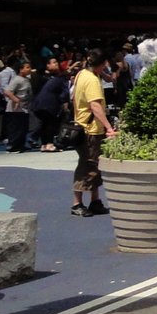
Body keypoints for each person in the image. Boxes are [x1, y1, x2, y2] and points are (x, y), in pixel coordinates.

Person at [71, 52, 116, 217]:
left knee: (95, 165)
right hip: (91, 129)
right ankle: (77, 203)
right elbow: (95, 106)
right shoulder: (91, 80)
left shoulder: (82, 74)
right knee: (87, 165)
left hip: (83, 125)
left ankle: (95, 200)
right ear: (102, 63)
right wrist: (108, 127)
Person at [32, 56, 68, 151]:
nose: (56, 64)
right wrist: (64, 102)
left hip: (38, 102)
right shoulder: (60, 78)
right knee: (51, 123)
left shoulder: (50, 78)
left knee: (44, 123)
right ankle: (49, 144)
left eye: (56, 62)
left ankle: (44, 144)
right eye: (53, 62)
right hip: (49, 103)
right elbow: (65, 93)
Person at [3, 58, 34, 153]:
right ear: (21, 69)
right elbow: (7, 91)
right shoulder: (17, 80)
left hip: (24, 107)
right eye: (27, 67)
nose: (29, 69)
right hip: (15, 108)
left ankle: (20, 144)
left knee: (23, 127)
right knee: (16, 127)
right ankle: (13, 146)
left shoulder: (26, 79)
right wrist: (16, 100)